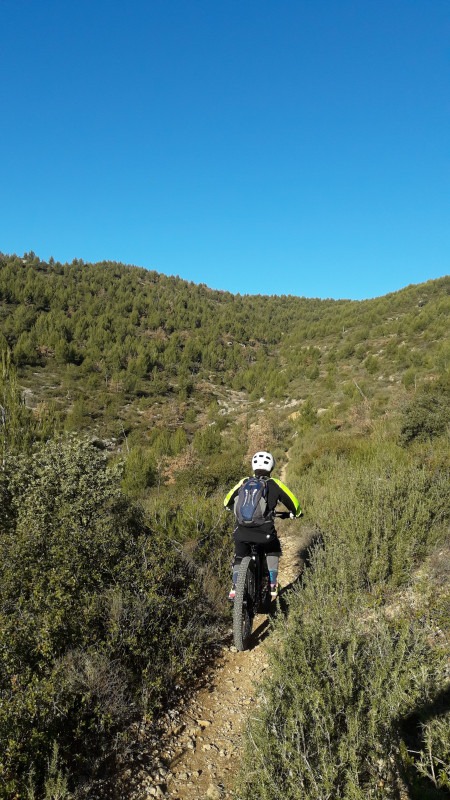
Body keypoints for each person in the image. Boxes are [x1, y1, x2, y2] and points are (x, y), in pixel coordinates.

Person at [224, 451, 302, 600]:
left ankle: (235, 586)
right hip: (265, 533)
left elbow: (227, 502)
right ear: (271, 467)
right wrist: (295, 513)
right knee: (273, 548)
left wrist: (232, 508)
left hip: (241, 532)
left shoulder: (244, 482)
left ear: (253, 466)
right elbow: (294, 503)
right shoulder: (275, 484)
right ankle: (272, 584)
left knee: (240, 556)